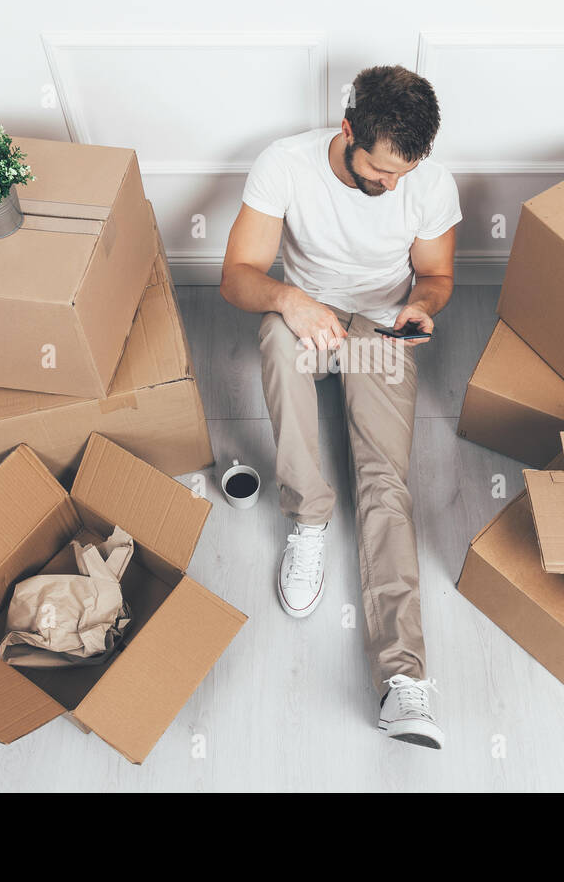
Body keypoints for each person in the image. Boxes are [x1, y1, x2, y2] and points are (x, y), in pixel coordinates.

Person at [220, 65, 461, 749]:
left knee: (386, 481)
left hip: (379, 328)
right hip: (310, 316)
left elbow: (438, 276)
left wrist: (422, 306)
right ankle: (309, 518)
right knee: (272, 328)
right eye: (379, 171)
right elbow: (237, 278)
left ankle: (404, 681)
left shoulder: (428, 184)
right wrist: (289, 298)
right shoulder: (286, 164)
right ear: (348, 130)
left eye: (402, 174)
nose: (391, 186)